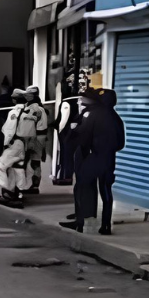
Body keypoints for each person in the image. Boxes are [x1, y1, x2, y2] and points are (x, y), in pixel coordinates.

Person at [63, 88, 127, 234]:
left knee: (80, 187)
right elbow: (121, 144)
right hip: (109, 159)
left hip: (93, 157)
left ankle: (79, 223)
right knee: (106, 192)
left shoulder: (92, 114)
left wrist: (73, 133)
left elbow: (84, 137)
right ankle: (106, 226)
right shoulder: (117, 118)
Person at [0, 89, 30, 206]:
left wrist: (5, 145)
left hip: (14, 144)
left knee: (1, 167)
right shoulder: (29, 111)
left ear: (14, 99)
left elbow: (9, 130)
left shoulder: (14, 112)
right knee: (17, 169)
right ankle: (19, 194)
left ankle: (7, 193)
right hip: (24, 144)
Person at [21, 85, 49, 194]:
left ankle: (31, 186)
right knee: (33, 162)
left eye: (29, 95)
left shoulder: (36, 109)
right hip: (37, 137)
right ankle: (33, 186)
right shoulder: (36, 107)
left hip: (34, 137)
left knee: (31, 162)